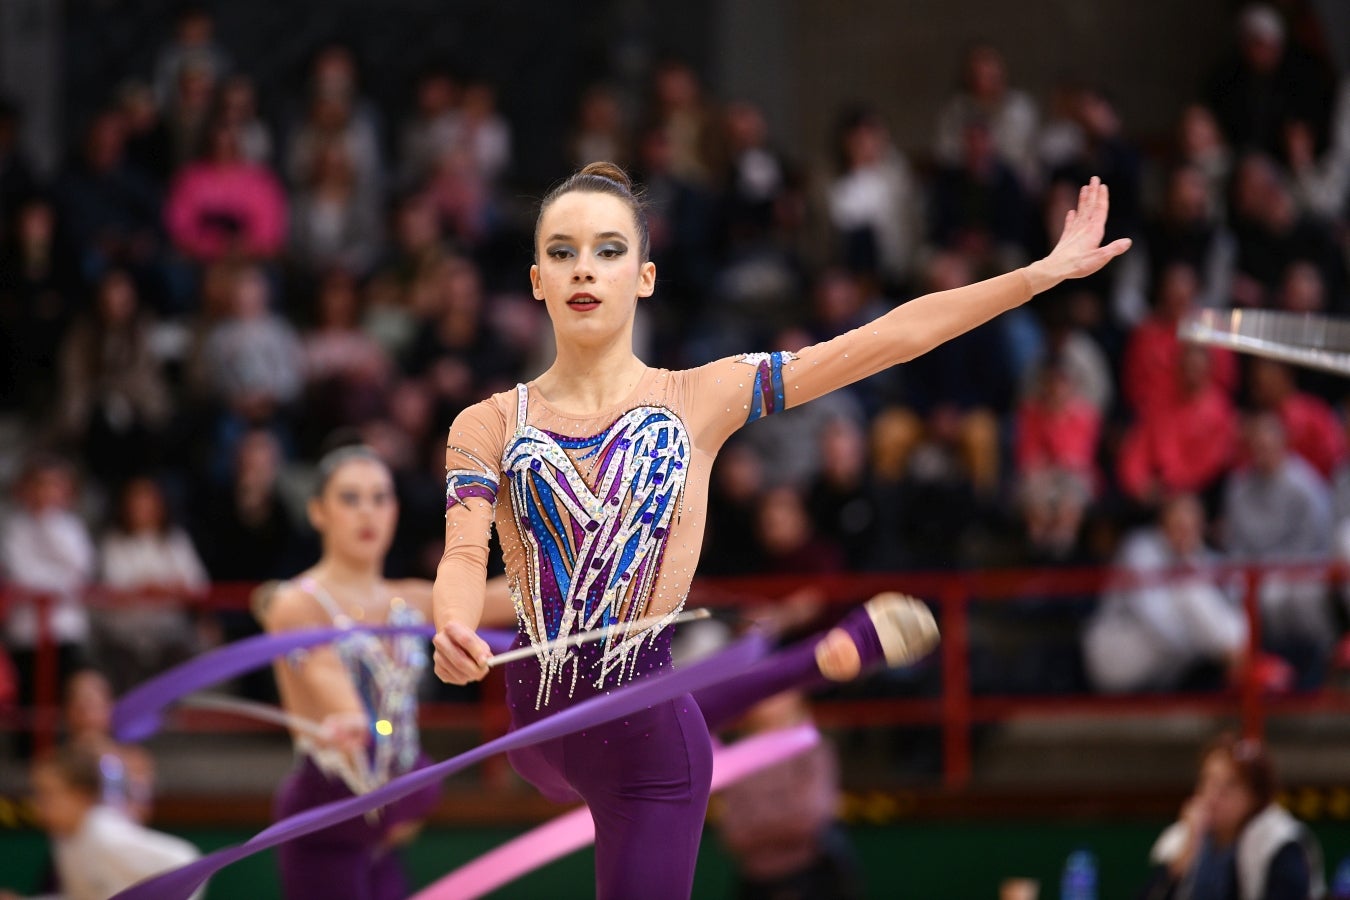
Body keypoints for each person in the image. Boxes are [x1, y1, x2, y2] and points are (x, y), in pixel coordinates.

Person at [430, 161, 1130, 898]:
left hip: (648, 755)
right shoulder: (489, 423)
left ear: (645, 276)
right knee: (647, 704)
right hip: (536, 731)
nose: (584, 269)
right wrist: (453, 626)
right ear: (536, 278)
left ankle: (808, 663)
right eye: (562, 251)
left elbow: (887, 340)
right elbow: (463, 550)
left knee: (659, 714)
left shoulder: (700, 397)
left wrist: (1040, 275)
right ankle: (815, 660)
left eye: (609, 250)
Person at [257, 444, 515, 900]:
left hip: (386, 825)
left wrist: (577, 565)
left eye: (380, 497)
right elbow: (321, 669)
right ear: (318, 512)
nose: (368, 513)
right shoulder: (297, 602)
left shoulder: (410, 599)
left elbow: (504, 598)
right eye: (350, 498)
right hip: (328, 822)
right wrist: (350, 716)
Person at [1, 744, 201, 900]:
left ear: (80, 795)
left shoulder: (103, 833)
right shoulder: (65, 835)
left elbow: (185, 860)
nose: (38, 803)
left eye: (47, 794)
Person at [1144, 732, 1325, 899]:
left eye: (1229, 785)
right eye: (1208, 781)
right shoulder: (1184, 836)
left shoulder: (1279, 843)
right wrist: (1180, 862)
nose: (1213, 795)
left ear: (1255, 796)